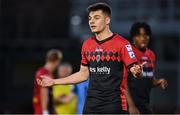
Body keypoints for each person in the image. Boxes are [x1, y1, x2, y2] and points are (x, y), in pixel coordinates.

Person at [37, 3, 145, 114]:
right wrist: (54, 81)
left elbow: (135, 70)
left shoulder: (122, 44)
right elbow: (83, 74)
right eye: (90, 18)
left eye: (96, 18)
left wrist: (138, 72)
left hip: (114, 105)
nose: (91, 21)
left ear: (107, 20)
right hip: (91, 106)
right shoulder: (87, 45)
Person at [126, 22, 168, 114]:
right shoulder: (128, 52)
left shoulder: (151, 55)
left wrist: (158, 82)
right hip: (129, 105)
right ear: (133, 37)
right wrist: (131, 106)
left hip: (144, 104)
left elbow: (148, 79)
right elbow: (122, 82)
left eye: (146, 35)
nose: (143, 38)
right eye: (139, 35)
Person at [33, 49, 63, 115]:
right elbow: (44, 94)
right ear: (57, 61)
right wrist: (45, 111)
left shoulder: (44, 72)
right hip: (42, 110)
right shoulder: (44, 73)